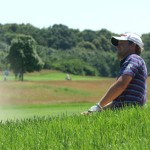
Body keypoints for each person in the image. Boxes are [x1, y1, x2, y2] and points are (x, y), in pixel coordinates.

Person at [82, 32, 147, 115]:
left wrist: (99, 106)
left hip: (128, 114)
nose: (117, 46)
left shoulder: (133, 58)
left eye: (122, 43)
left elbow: (121, 84)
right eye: (118, 44)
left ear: (132, 46)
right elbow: (119, 102)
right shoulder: (133, 60)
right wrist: (94, 113)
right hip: (128, 113)